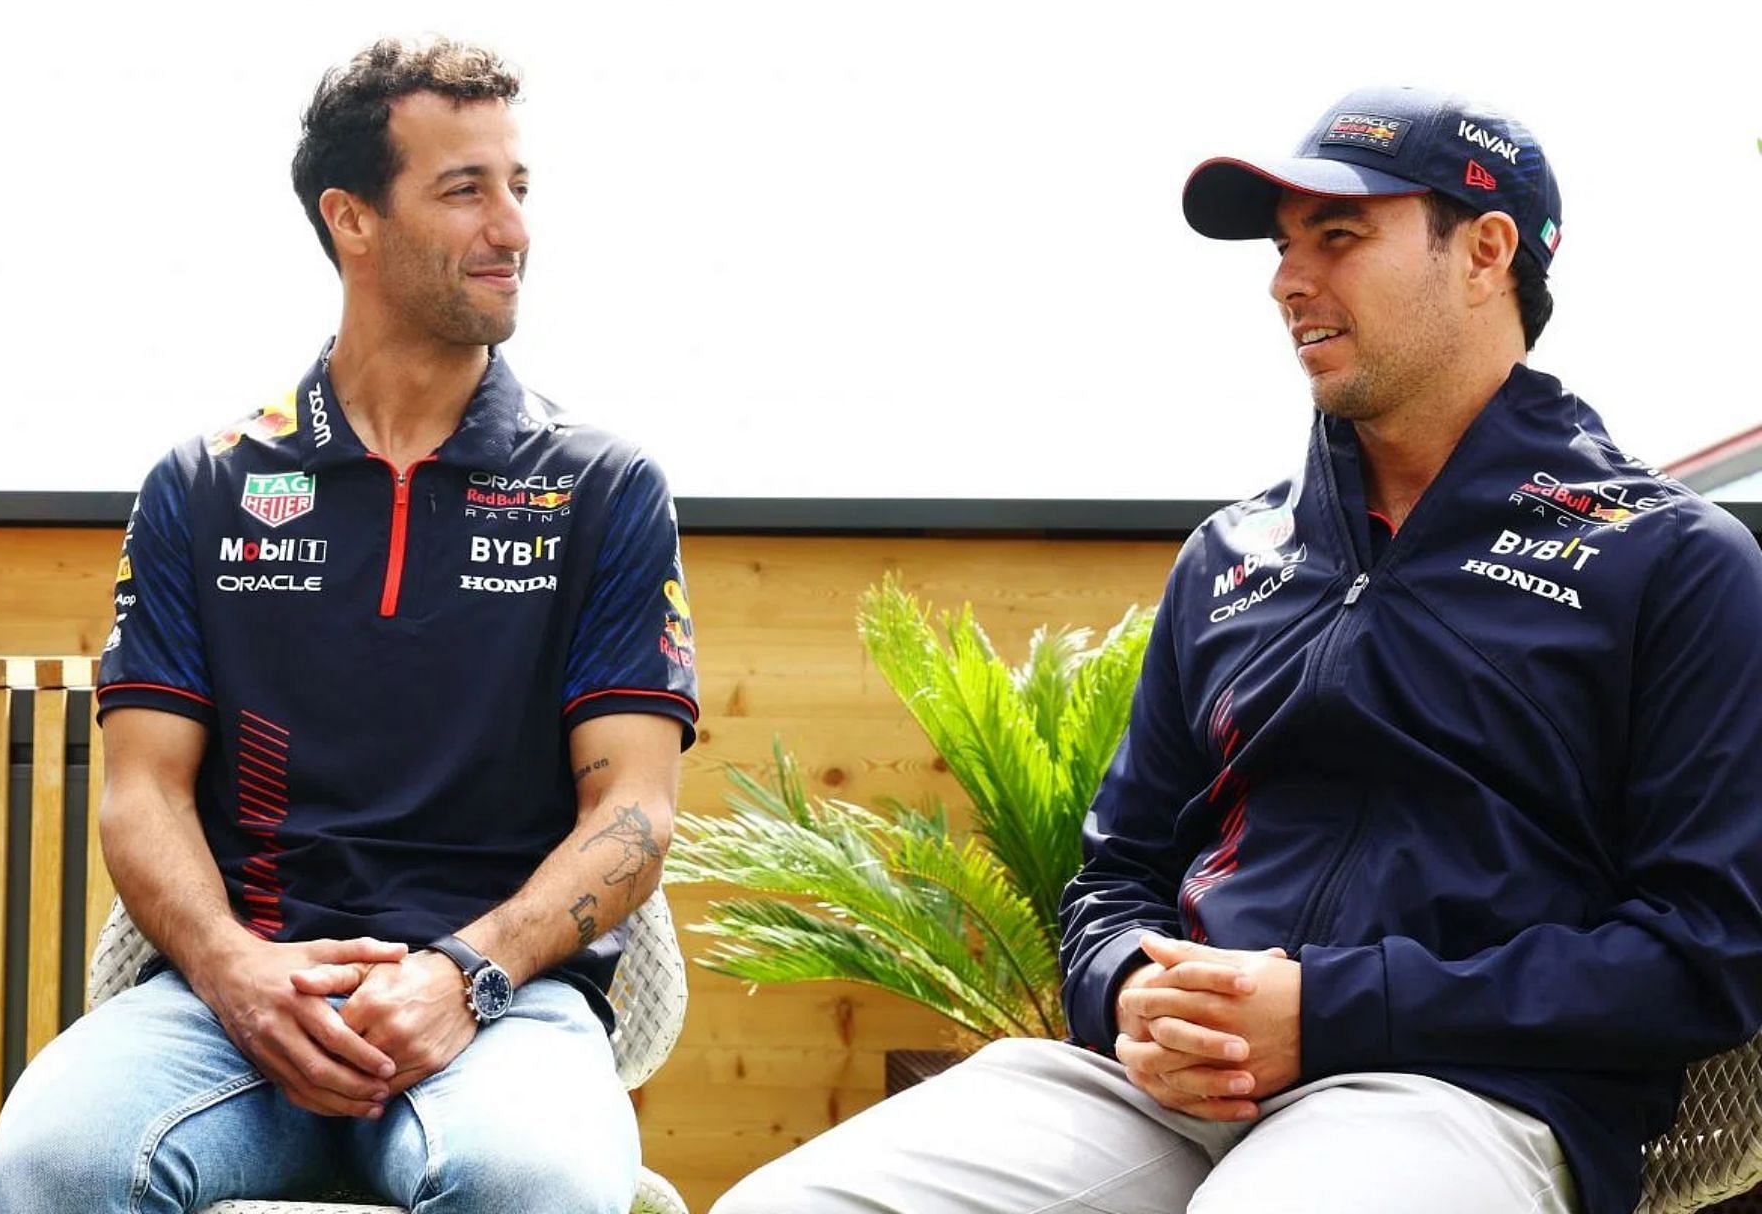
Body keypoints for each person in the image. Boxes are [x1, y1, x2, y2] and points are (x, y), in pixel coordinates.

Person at [713, 87, 1762, 1214]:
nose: (1287, 281)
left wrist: (1330, 1008)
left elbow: (1708, 952)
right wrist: (1129, 993)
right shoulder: (1229, 554)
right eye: (1283, 245)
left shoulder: (1669, 560)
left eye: (1340, 236)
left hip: (1462, 1091)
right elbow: (1115, 875)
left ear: (1487, 250)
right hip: (1152, 1091)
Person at [0, 37, 699, 1213]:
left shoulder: (603, 486)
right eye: (465, 189)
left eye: (519, 188)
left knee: (529, 1183)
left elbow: (634, 809)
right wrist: (233, 970)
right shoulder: (203, 486)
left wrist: (466, 974)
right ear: (351, 220)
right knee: (52, 1166)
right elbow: (142, 792)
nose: (511, 227)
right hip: (232, 1001)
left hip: (503, 1006)